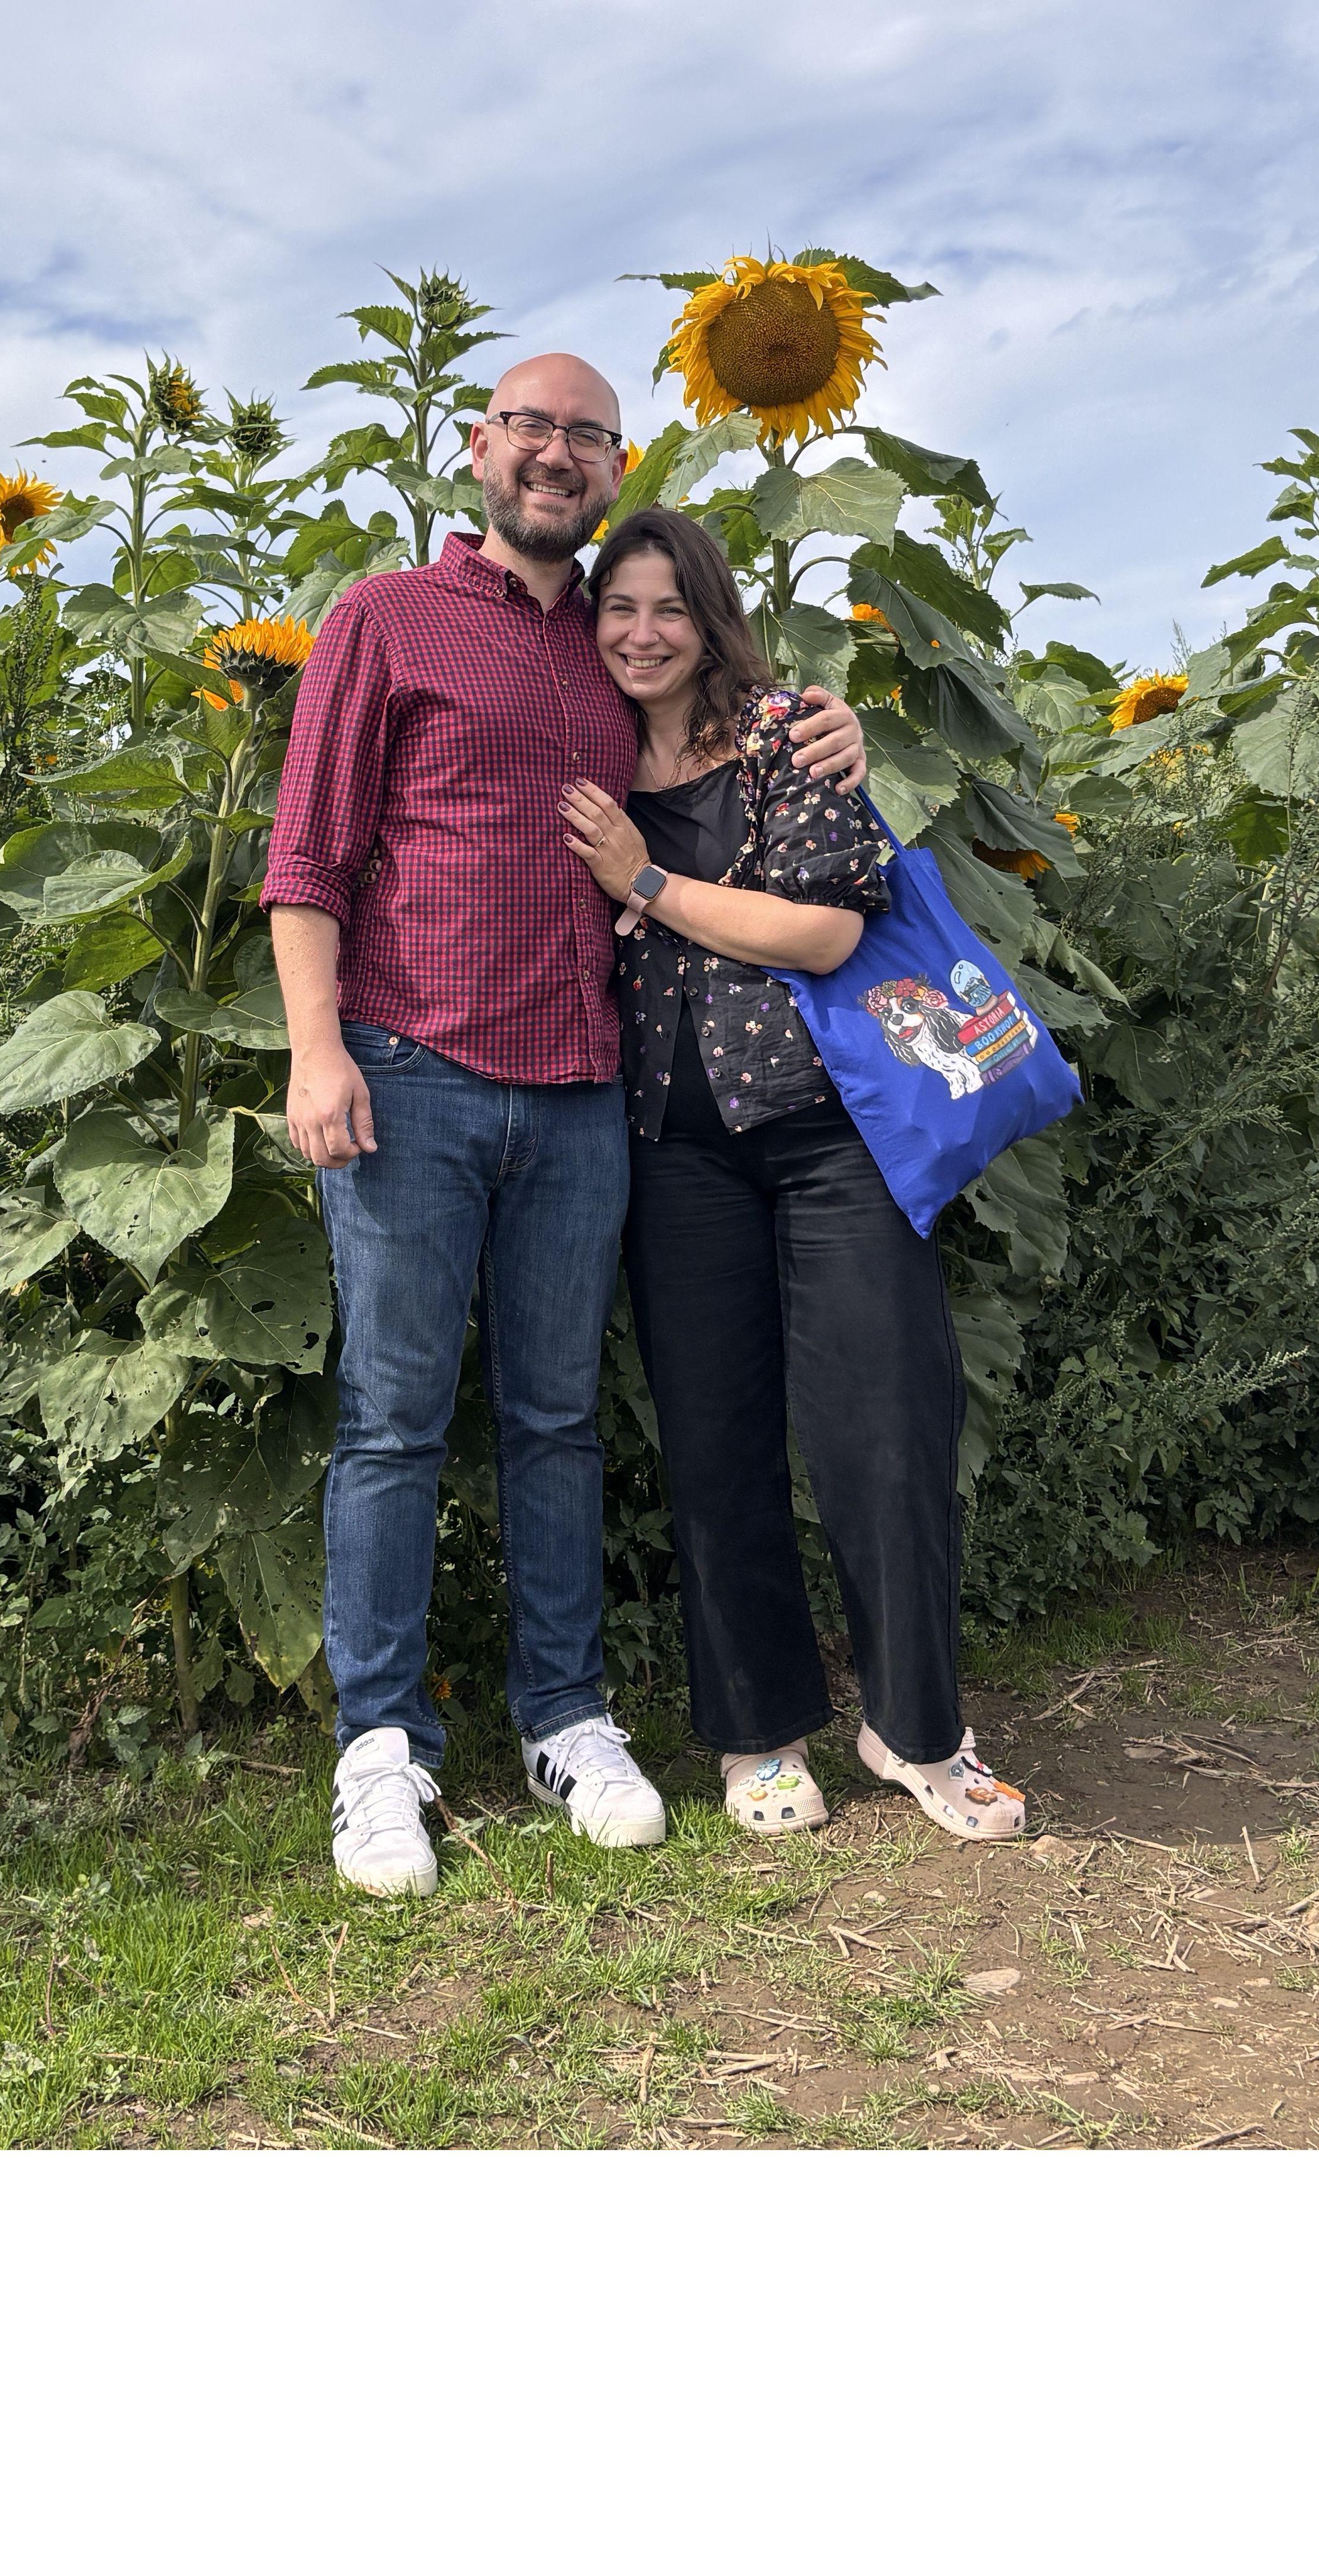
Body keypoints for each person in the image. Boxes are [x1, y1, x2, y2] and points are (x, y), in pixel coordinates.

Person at [264, 353, 870, 1898]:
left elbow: (737, 721)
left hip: (582, 1092)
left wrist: (832, 724)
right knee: (394, 1422)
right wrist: (315, 1052)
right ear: (481, 448)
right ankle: (381, 1749)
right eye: (530, 427)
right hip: (407, 1076)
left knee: (554, 1420)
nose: (554, 454)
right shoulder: (383, 617)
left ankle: (568, 1712)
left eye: (584, 436)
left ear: (613, 465)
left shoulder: (619, 643)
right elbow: (309, 855)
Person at [555, 505, 1025, 1847]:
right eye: (619, 610)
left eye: (670, 608)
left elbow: (821, 934)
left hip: (832, 1136)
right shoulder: (585, 755)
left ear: (711, 620)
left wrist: (643, 879)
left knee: (888, 1426)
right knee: (715, 1445)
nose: (643, 634)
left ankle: (920, 1731)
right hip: (669, 1146)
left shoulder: (783, 736)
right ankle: (757, 1733)